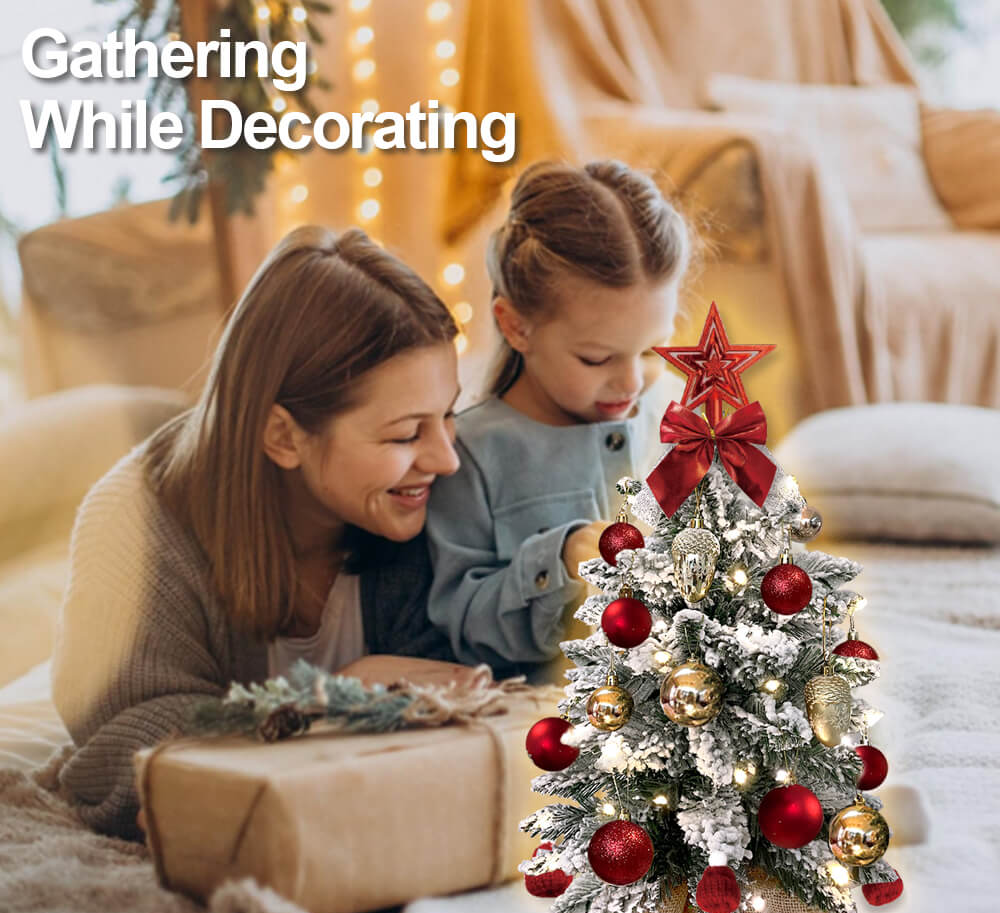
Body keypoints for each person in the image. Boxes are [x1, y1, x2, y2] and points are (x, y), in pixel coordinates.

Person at [52, 226, 467, 841]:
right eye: (405, 434)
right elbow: (118, 741)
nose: (446, 458)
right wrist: (327, 701)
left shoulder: (440, 498)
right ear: (283, 436)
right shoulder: (135, 523)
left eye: (450, 414)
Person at [426, 160, 690, 677]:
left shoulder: (675, 426)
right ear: (517, 327)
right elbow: (457, 626)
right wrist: (559, 558)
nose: (631, 383)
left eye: (652, 351)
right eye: (596, 359)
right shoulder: (469, 454)